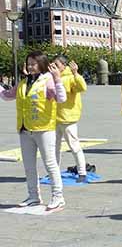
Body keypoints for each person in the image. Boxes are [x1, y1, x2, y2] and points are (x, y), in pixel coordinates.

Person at [0, 51, 67, 212]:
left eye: (34, 63)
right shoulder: (24, 82)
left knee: (50, 164)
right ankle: (33, 196)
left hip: (44, 129)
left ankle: (58, 197)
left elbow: (61, 98)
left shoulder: (48, 80)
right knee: (29, 166)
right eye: (28, 63)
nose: (30, 66)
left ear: (42, 64)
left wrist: (57, 79)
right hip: (25, 129)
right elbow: (7, 95)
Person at [53, 56, 88, 183]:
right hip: (54, 118)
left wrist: (76, 73)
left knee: (74, 146)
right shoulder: (52, 77)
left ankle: (82, 172)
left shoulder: (70, 77)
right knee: (54, 148)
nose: (54, 67)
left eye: (57, 65)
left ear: (63, 65)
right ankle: (54, 172)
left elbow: (82, 87)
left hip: (68, 118)